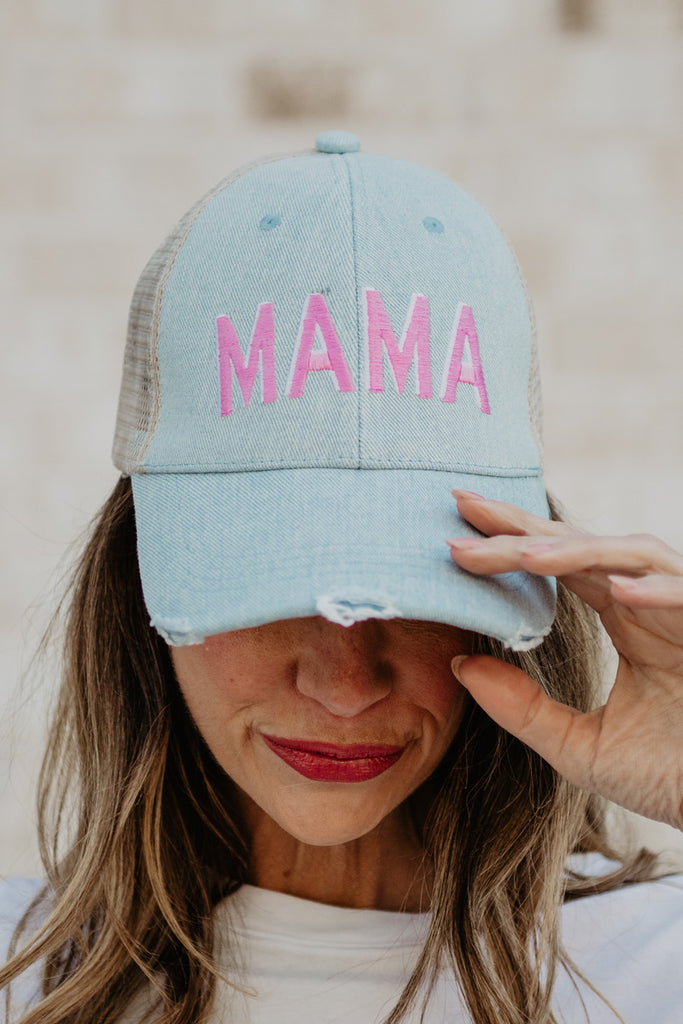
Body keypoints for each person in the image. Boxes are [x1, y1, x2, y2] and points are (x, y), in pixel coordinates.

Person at [1, 129, 682, 1024]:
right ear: (136, 582)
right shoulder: (20, 977)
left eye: (417, 587)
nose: (344, 683)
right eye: (272, 585)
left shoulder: (657, 963)